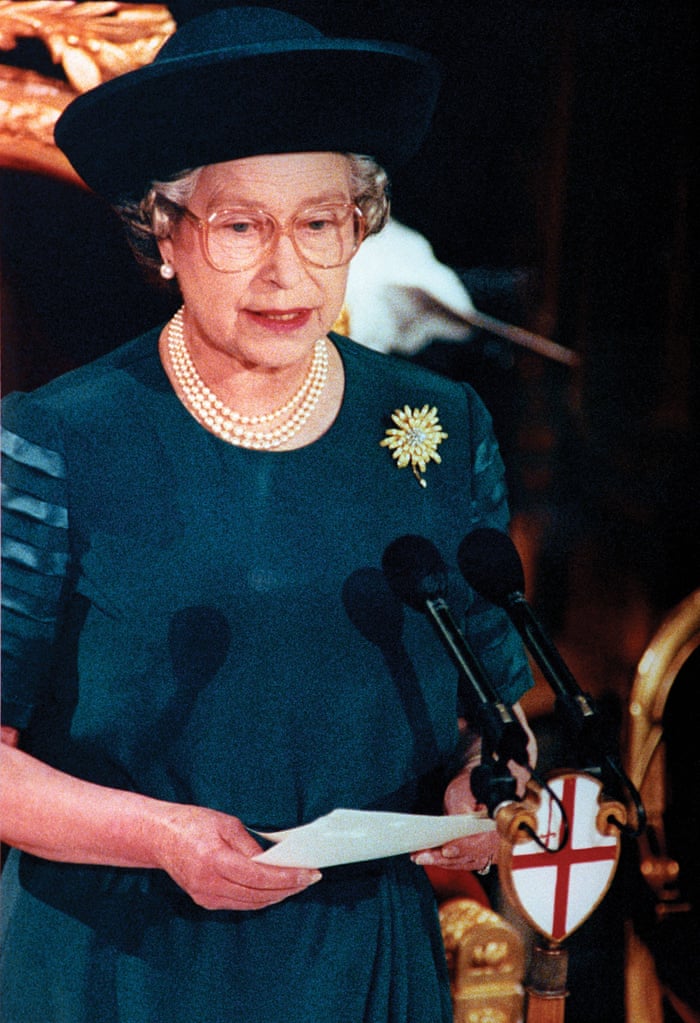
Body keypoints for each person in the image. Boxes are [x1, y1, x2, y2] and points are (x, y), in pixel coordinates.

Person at [0, 7, 536, 1021]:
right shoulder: (60, 440)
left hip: (360, 959)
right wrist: (160, 836)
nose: (286, 272)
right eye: (242, 225)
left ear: (357, 227)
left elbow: (492, 716)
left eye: (320, 222)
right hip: (118, 959)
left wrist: (480, 800)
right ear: (166, 235)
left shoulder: (438, 426)